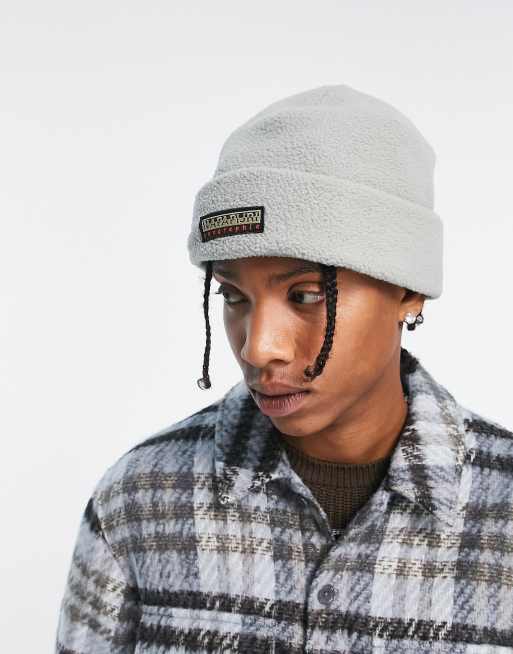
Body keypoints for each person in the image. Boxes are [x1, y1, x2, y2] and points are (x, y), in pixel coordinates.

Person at [54, 84, 513, 653]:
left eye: (306, 295)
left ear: (408, 291)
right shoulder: (139, 500)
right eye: (233, 296)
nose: (258, 348)